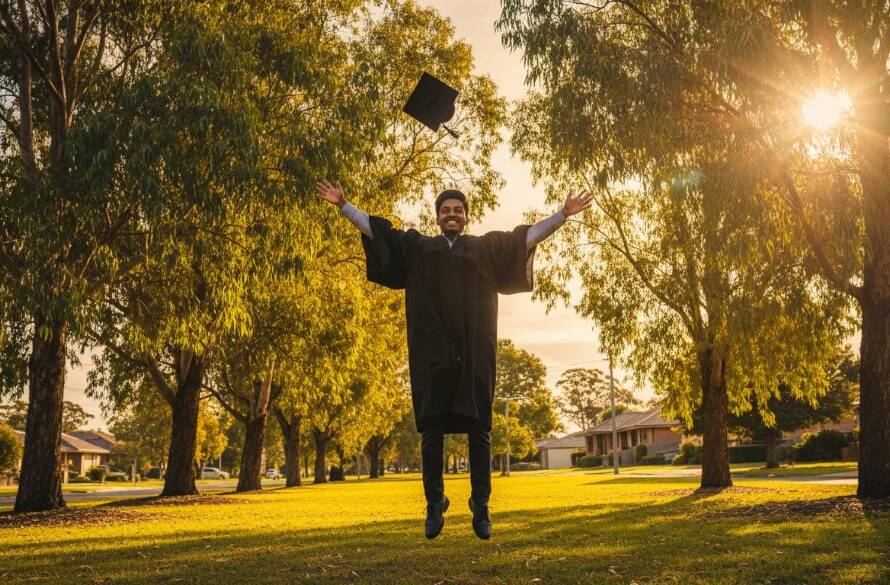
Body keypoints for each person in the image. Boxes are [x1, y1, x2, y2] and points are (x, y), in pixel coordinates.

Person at [315, 180, 592, 540]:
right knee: (431, 432)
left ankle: (481, 506)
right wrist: (344, 205)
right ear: (437, 217)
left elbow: (525, 238)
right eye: (446, 210)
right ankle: (434, 505)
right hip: (432, 359)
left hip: (474, 357)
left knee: (479, 431)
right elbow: (379, 232)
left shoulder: (486, 248)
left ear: (465, 216)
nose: (452, 214)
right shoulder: (418, 248)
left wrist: (562, 215)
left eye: (457, 210)